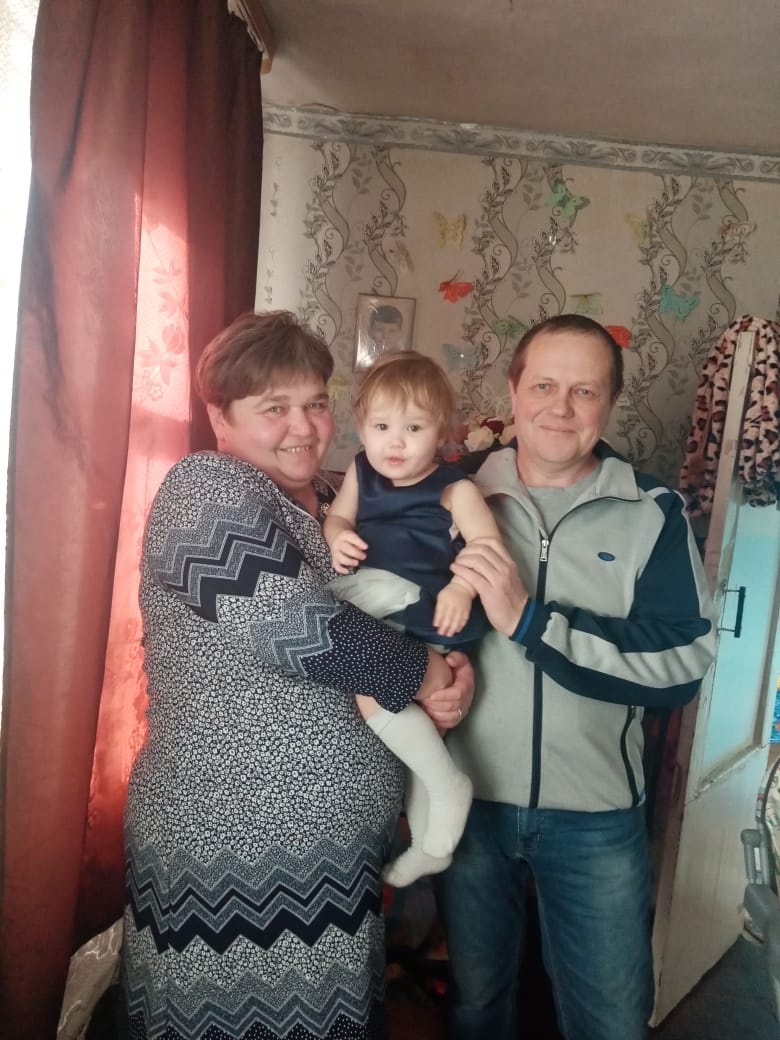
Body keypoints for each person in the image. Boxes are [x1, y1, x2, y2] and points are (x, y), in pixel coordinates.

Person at [121, 311, 474, 1040]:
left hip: (340, 849)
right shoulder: (204, 488)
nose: (304, 428)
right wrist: (426, 672)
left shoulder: (350, 495)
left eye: (315, 403)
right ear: (220, 416)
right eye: (273, 408)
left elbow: (419, 594)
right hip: (228, 843)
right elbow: (296, 627)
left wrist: (456, 665)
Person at [436, 314, 719, 1040]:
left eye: (584, 390)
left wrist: (532, 622)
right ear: (513, 391)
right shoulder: (453, 495)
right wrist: (424, 676)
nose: (561, 408)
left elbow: (682, 664)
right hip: (467, 806)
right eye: (544, 386)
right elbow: (398, 619)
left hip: (597, 819)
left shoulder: (652, 513)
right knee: (476, 1008)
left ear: (610, 403)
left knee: (611, 1023)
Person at [324, 351, 500, 887]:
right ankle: (429, 845)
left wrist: (462, 587)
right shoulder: (361, 473)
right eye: (381, 427)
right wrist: (338, 537)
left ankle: (448, 789)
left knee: (372, 687)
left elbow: (487, 546)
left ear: (441, 433)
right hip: (377, 608)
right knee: (419, 728)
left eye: (414, 428)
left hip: (422, 604)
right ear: (362, 429)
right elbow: (338, 518)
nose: (394, 443)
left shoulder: (455, 489)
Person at [357, 304, 405, 369]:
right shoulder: (365, 362)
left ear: (400, 333)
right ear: (370, 331)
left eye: (392, 331)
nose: (385, 336)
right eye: (379, 329)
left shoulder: (404, 362)